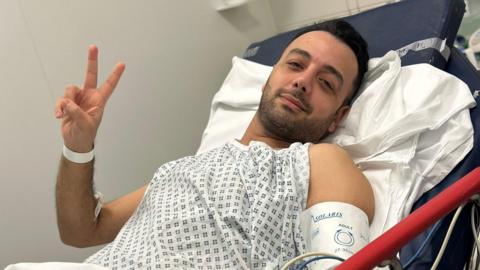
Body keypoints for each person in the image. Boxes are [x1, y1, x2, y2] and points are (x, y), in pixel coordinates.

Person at [54, 19, 374, 269]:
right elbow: (80, 231)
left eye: (326, 83)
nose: (303, 81)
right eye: (295, 64)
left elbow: (340, 263)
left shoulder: (320, 162)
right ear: (269, 76)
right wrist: (78, 148)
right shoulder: (181, 170)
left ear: (338, 117)